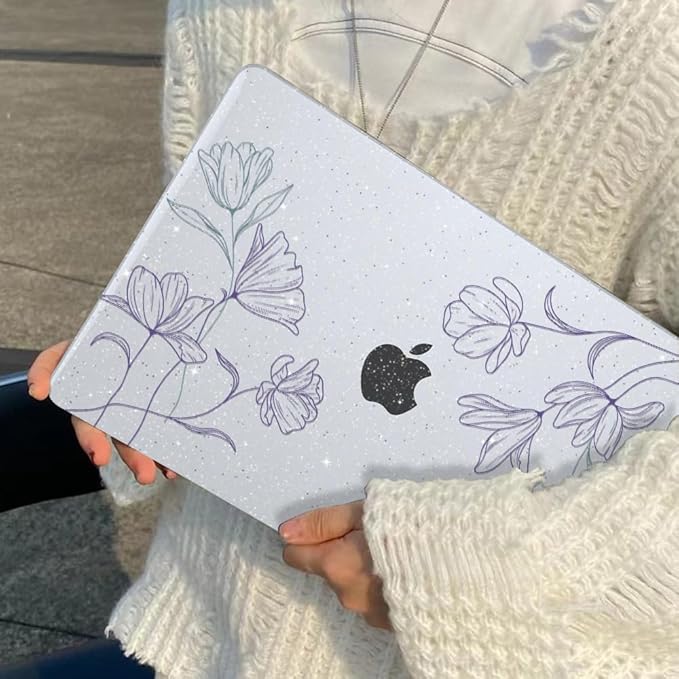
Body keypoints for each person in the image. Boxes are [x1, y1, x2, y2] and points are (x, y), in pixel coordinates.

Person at [27, 0, 679, 676]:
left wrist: (454, 569)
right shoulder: (214, 14)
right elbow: (209, 243)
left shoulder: (656, 58)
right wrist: (146, 353)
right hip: (199, 638)